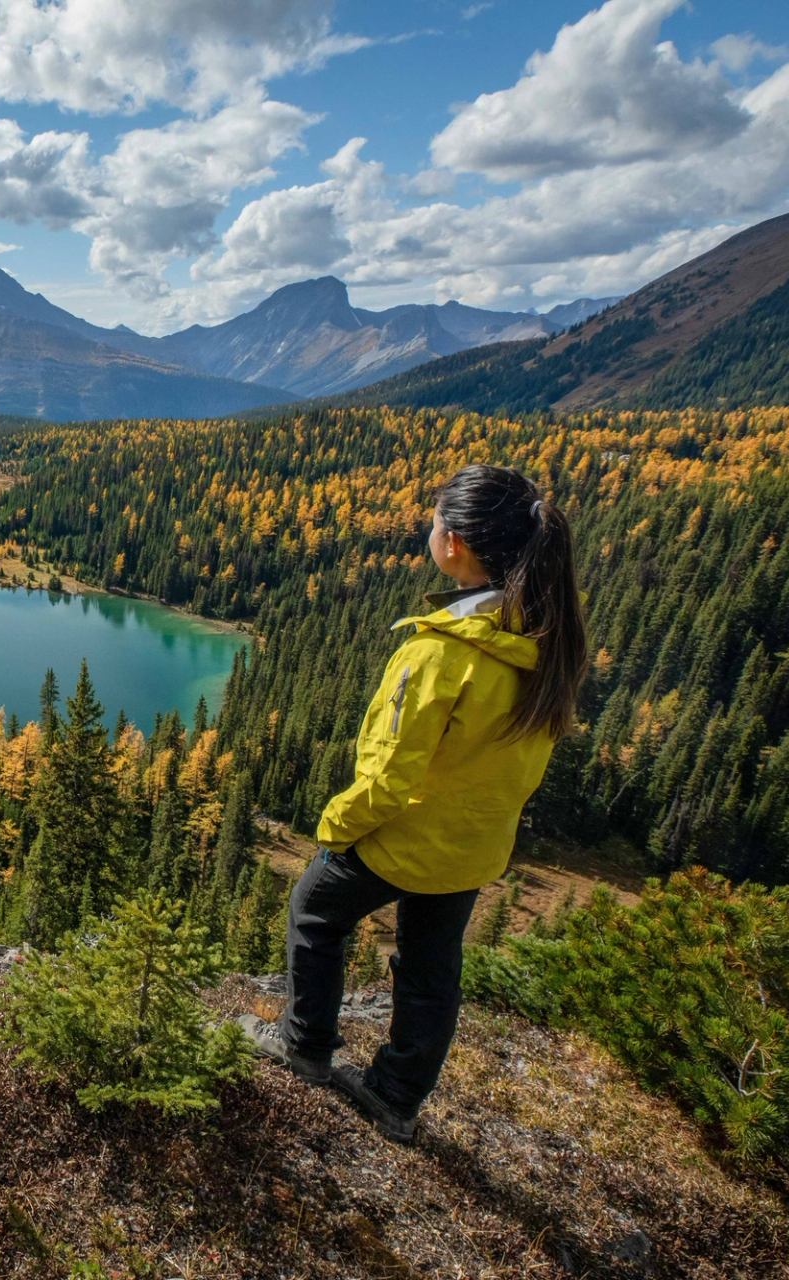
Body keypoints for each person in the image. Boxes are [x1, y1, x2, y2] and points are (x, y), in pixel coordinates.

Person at [238, 464, 588, 1142]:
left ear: (453, 543)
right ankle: (396, 1096)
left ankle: (304, 1047)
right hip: (475, 845)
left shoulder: (440, 653)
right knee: (431, 966)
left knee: (314, 910)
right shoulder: (546, 641)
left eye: (434, 522)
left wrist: (336, 828)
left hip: (409, 837)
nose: (430, 532)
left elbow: (391, 776)